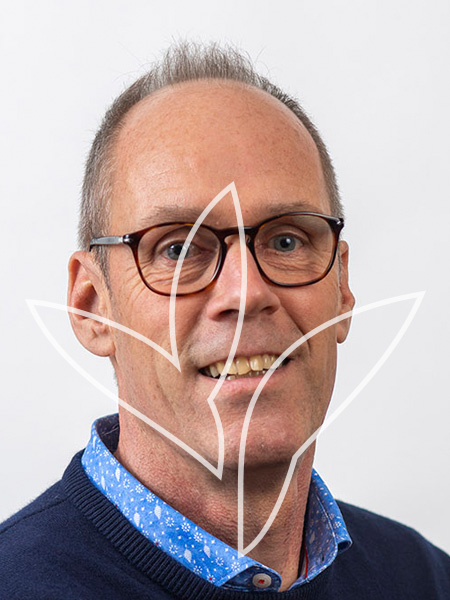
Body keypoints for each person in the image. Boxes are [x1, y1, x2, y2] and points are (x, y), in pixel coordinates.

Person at [1, 42, 449, 600]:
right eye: (177, 248)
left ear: (341, 287)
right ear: (93, 305)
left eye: (287, 240)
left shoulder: (425, 580)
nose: (247, 292)